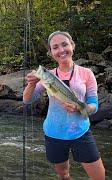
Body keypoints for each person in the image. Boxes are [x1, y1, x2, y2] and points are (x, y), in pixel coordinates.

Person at [23, 31, 105, 179]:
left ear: (72, 45)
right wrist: (31, 84)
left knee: (99, 177)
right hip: (54, 133)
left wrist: (81, 109)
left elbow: (93, 104)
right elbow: (27, 100)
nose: (61, 50)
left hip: (81, 132)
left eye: (64, 44)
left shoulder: (87, 73)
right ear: (51, 52)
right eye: (55, 47)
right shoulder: (49, 76)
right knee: (64, 175)